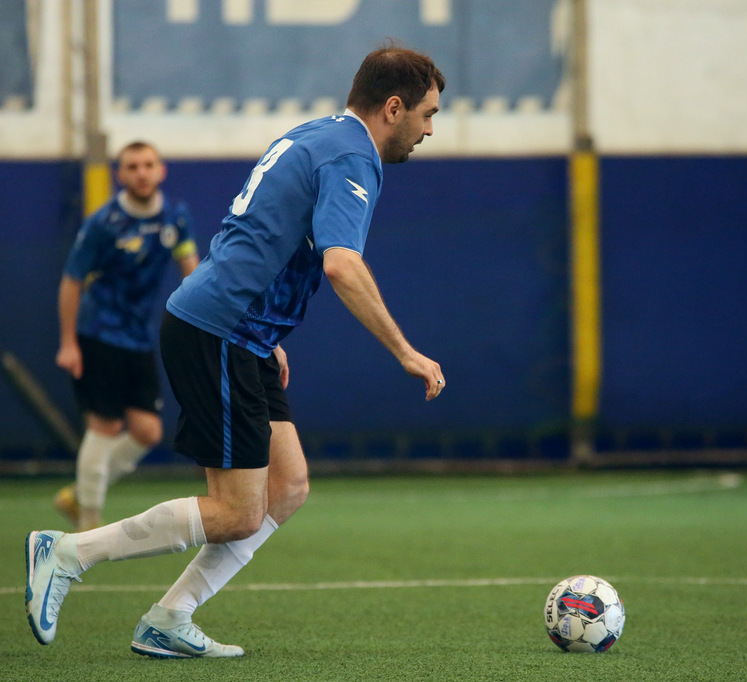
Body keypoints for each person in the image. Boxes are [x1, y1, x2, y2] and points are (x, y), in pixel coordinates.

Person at [26, 45, 447, 659]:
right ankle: (66, 553)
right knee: (237, 513)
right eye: (427, 114)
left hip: (242, 333)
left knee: (288, 485)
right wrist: (405, 351)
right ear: (392, 108)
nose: (429, 129)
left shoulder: (317, 134)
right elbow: (341, 264)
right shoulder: (354, 156)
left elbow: (250, 232)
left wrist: (267, 334)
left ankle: (170, 617)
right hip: (221, 330)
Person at [54, 142, 199, 531]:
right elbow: (71, 280)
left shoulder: (175, 217)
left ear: (161, 170)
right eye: (132, 166)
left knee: (148, 431)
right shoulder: (103, 223)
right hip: (98, 333)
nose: (141, 173)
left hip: (138, 337)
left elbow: (191, 268)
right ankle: (88, 521)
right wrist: (68, 342)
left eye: (148, 164)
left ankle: (79, 494)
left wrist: (205, 317)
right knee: (104, 425)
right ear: (120, 174)